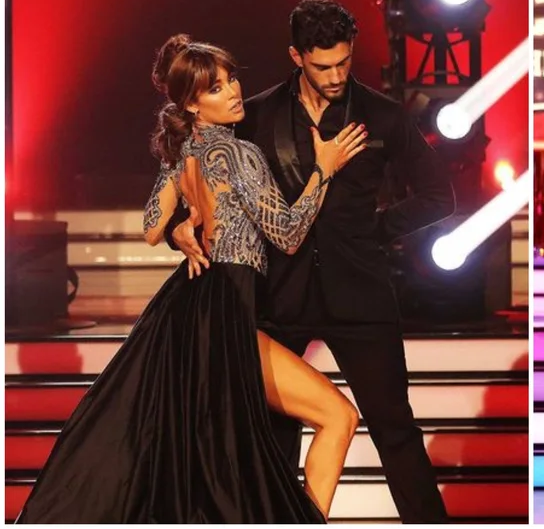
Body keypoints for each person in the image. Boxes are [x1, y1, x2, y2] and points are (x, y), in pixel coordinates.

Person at [17, 34, 370, 523]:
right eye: (216, 88)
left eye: (231, 80)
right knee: (337, 416)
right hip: (225, 307)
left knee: (206, 455)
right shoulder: (239, 154)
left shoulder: (180, 155)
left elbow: (149, 228)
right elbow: (286, 234)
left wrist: (182, 226)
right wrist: (323, 170)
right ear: (190, 102)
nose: (233, 93)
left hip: (187, 308)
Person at [165, 0, 455, 523]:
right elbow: (195, 177)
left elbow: (439, 194)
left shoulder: (382, 114)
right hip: (278, 296)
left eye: (344, 62)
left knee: (395, 430)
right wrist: (178, 227)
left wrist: (374, 231)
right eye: (323, 65)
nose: (336, 75)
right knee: (275, 435)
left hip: (362, 295)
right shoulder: (254, 115)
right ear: (296, 55)